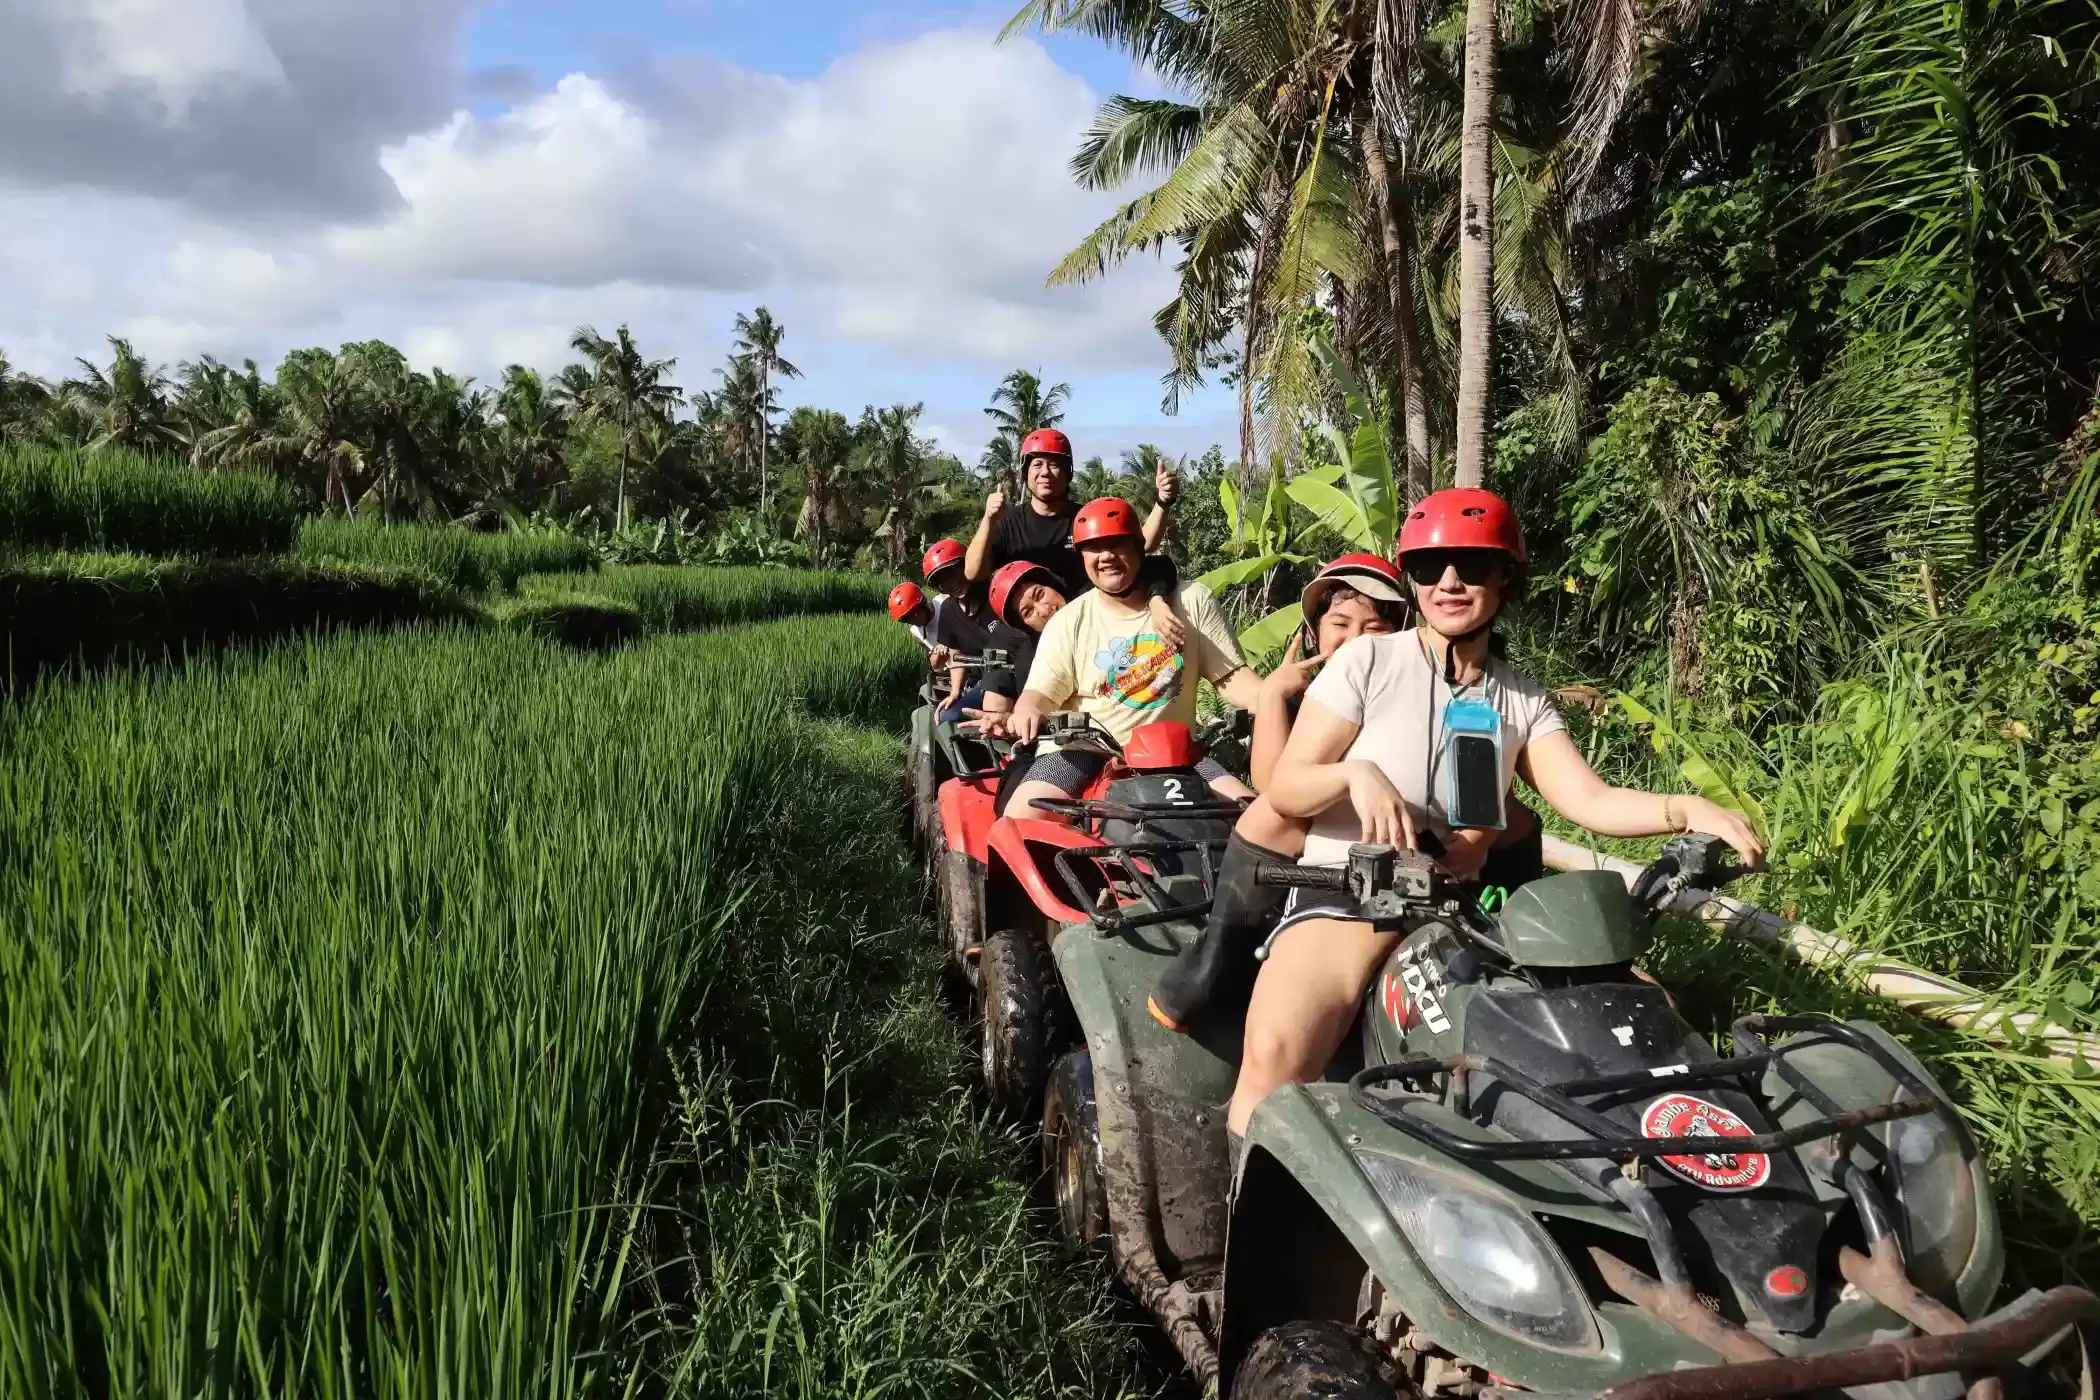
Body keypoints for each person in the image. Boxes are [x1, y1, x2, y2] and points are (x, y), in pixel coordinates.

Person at [1222, 487, 1766, 1147]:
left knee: (1645, 1017)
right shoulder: (1367, 661)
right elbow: (1285, 789)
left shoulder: (1520, 699)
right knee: (1277, 1063)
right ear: (1412, 581)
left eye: (1472, 566)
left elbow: (1587, 800)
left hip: (1469, 906)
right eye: (1430, 568)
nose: (1449, 583)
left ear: (1506, 577)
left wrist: (1686, 807)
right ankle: (1248, 1217)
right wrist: (1353, 774)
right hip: (1348, 896)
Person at [1146, 555, 1410, 1032]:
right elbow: (1272, 786)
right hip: (1310, 832)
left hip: (1386, 836)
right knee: (1272, 813)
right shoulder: (1297, 696)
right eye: (1341, 624)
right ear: (1315, 631)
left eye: (1374, 627)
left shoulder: (1414, 692)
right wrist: (1271, 697)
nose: (1354, 640)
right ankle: (1218, 956)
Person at [974, 497, 1265, 819]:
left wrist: (1278, 696)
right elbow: (1039, 693)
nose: (1107, 556)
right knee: (1019, 820)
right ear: (1081, 556)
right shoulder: (1068, 621)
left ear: (1139, 545)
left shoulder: (1191, 601)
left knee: (1257, 818)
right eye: (1094, 548)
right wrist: (1026, 711)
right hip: (1082, 752)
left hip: (1176, 753)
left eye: (1117, 544)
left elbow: (1231, 677)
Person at [963, 428, 1176, 597]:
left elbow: (1144, 544)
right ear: (1026, 473)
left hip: (1082, 622)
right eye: (1037, 464)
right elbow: (973, 573)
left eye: (1054, 464)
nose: (1045, 472)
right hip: (1028, 630)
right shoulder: (1008, 523)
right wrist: (989, 520)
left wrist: (1163, 502)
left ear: (1068, 474)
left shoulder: (1086, 518)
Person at [922, 538, 997, 723]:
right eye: (943, 580)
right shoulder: (948, 610)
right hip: (990, 678)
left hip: (1021, 673)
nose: (952, 583)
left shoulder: (994, 593)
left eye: (955, 572)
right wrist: (955, 691)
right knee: (948, 715)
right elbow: (956, 652)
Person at [888, 581, 936, 652]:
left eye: (913, 613)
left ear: (922, 602)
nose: (912, 620)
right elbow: (931, 658)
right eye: (905, 618)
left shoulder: (944, 604)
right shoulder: (916, 633)